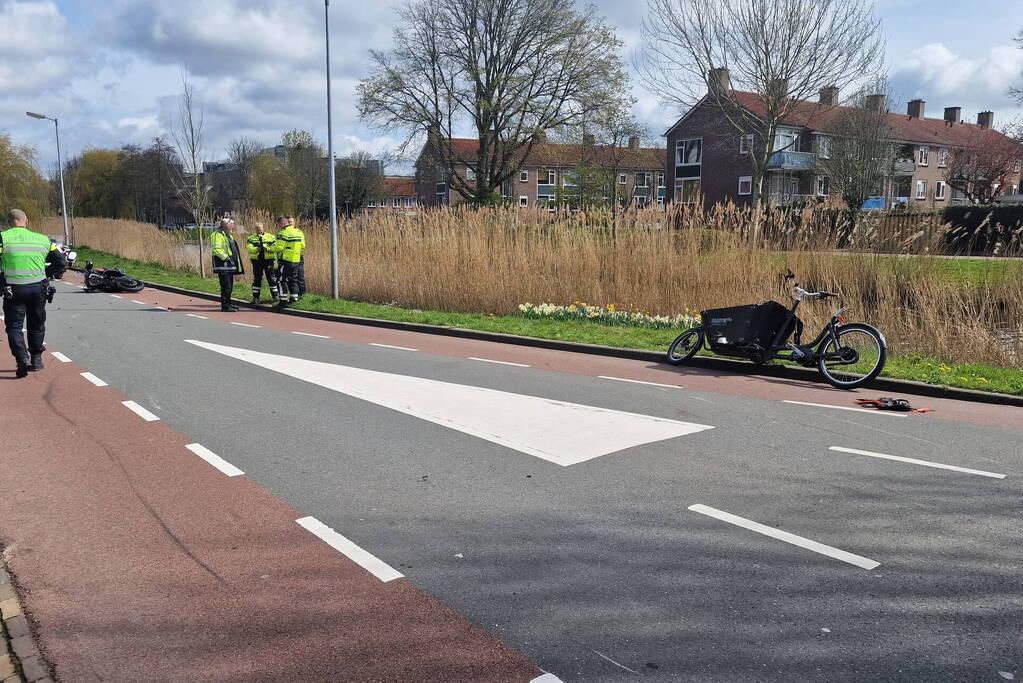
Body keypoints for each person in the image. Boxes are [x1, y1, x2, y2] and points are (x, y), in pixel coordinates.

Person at [1, 209, 67, 378]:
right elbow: (61, 261)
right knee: (37, 324)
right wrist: (46, 274)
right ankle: (36, 360)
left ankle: (22, 357)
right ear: (26, 221)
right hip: (38, 288)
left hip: (14, 289)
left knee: (14, 327)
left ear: (10, 222)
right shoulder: (43, 239)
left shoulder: (3, 238)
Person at [210, 218, 244, 312]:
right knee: (226, 286)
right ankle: (225, 306)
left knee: (229, 286)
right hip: (223, 265)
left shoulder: (228, 235)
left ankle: (228, 303)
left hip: (229, 266)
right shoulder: (217, 235)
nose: (233, 227)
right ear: (226, 226)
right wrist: (227, 258)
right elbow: (216, 249)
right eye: (232, 225)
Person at [275, 215, 305, 308]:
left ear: (282, 223)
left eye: (278, 224)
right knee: (293, 280)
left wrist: (269, 248)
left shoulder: (283, 232)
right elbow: (303, 246)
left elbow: (279, 247)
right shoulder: (299, 232)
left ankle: (283, 301)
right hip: (296, 260)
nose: (278, 226)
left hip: (286, 260)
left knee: (281, 280)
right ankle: (294, 299)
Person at [245, 221, 279, 304]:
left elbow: (276, 246)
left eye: (260, 229)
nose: (258, 231)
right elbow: (249, 248)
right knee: (257, 279)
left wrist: (268, 249)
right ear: (255, 229)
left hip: (268, 260)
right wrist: (257, 249)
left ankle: (275, 296)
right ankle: (256, 297)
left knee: (271, 278)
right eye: (257, 230)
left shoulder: (271, 237)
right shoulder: (251, 238)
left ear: (263, 228)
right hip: (257, 260)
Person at [288, 215, 307, 299]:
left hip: (297, 256)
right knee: (289, 278)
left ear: (294, 222)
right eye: (288, 222)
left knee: (300, 276)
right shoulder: (284, 232)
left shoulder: (299, 232)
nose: (289, 223)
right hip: (287, 258)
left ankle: (302, 295)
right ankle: (292, 296)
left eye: (291, 222)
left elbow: (303, 245)